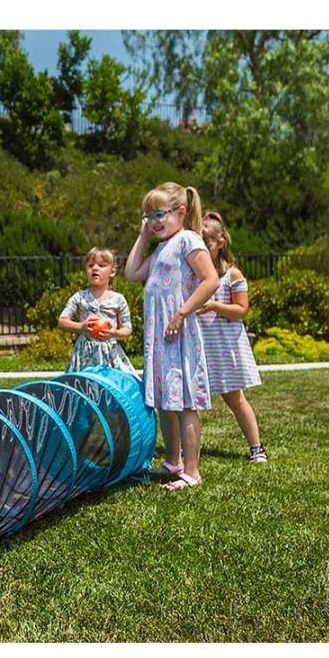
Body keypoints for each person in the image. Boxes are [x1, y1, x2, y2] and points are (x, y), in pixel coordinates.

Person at [124, 182, 219, 491]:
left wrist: (181, 313)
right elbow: (131, 272)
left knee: (185, 404)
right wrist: (143, 236)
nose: (154, 221)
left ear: (181, 212)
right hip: (160, 338)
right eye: (148, 215)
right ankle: (173, 461)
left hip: (179, 335)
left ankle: (192, 471)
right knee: (166, 402)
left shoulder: (188, 240)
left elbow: (210, 281)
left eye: (160, 214)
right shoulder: (161, 246)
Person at [197, 212, 268, 463]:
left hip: (224, 347)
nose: (203, 250)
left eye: (207, 244)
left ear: (220, 243)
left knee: (235, 398)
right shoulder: (197, 275)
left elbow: (241, 310)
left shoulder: (232, 275)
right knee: (190, 402)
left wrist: (214, 306)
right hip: (200, 346)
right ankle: (186, 452)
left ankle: (257, 448)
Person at [57, 247, 137, 376]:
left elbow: (127, 328)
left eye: (101, 265)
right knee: (83, 385)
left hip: (110, 352)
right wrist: (81, 326)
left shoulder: (118, 299)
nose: (95, 268)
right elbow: (62, 321)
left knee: (112, 386)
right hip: (84, 354)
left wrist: (114, 333)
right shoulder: (79, 297)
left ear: (112, 272)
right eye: (90, 265)